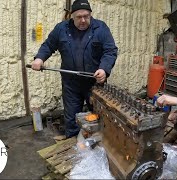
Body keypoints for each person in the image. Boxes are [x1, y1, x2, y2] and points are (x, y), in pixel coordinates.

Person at [31, 0, 118, 139]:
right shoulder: (61, 29)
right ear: (72, 16)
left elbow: (110, 51)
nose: (83, 20)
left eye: (86, 16)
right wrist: (39, 59)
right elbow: (48, 45)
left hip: (94, 83)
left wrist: (104, 69)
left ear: (90, 14)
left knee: (99, 116)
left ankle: (99, 144)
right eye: (79, 17)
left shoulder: (101, 28)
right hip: (71, 83)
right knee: (71, 118)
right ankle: (73, 144)